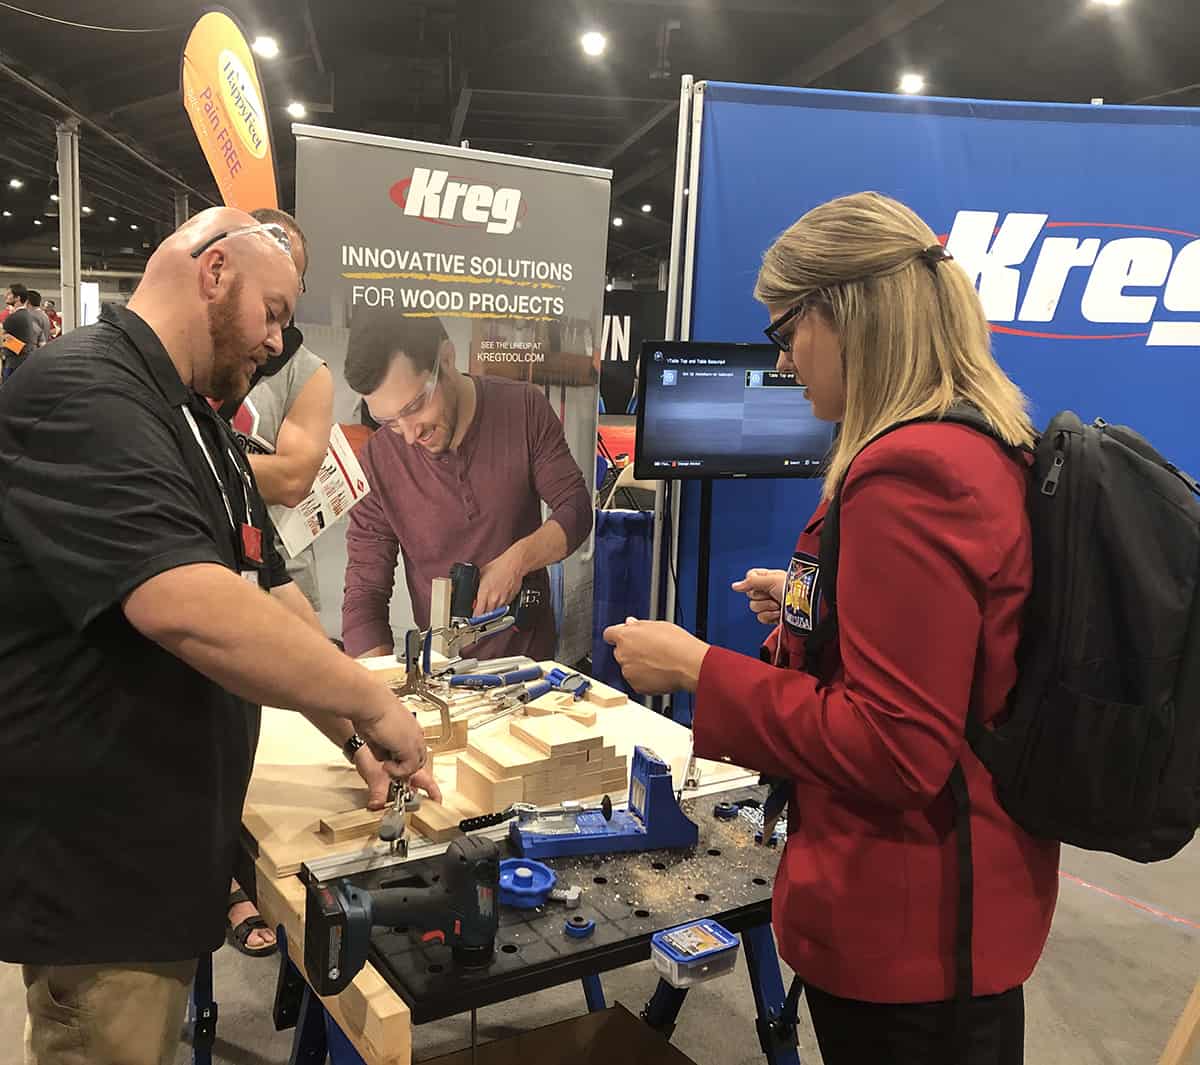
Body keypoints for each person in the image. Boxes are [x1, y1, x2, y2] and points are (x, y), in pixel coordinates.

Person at [604, 192, 1060, 1065]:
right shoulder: (977, 441)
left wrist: (700, 666)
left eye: (785, 331)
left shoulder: (914, 469)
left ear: (846, 313)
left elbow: (896, 747)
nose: (782, 360)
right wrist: (816, 601)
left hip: (912, 935)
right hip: (947, 916)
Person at [0, 205, 439, 1065]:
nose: (277, 343)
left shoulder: (201, 426)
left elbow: (270, 592)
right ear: (214, 273)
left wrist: (354, 736)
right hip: (99, 875)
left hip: (160, 850)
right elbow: (182, 599)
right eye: (273, 313)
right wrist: (367, 696)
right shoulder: (84, 390)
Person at [341, 308, 592, 662]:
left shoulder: (524, 409)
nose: (410, 435)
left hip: (529, 668)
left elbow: (576, 509)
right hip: (443, 672)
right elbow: (365, 595)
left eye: (414, 406)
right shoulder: (376, 464)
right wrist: (378, 696)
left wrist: (518, 560)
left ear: (446, 358)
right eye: (389, 421)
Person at [219, 207, 333, 956]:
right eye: (269, 304)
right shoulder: (188, 379)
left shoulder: (307, 372)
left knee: (269, 731)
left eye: (288, 308)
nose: (272, 333)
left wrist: (201, 461)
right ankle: (226, 878)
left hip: (274, 560)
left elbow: (292, 479)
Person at [1, 300, 38, 381]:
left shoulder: (17, 319)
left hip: (14, 361)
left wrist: (4, 339)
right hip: (24, 359)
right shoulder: (29, 319)